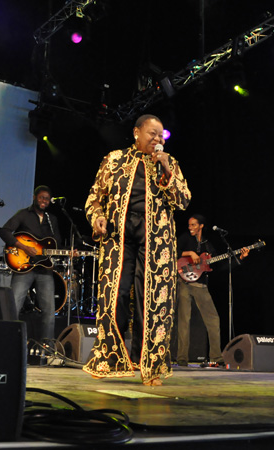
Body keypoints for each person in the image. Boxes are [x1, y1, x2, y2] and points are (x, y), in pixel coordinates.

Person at [83, 114, 191, 386]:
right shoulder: (114, 159)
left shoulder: (169, 163)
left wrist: (166, 169)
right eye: (152, 133)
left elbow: (183, 201)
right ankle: (109, 360)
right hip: (118, 236)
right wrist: (96, 216)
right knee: (115, 295)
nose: (157, 139)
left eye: (161, 136)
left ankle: (151, 367)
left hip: (156, 239)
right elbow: (95, 197)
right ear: (136, 132)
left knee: (151, 299)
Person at [176, 214, 250, 367]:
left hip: (201, 286)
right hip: (183, 282)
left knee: (213, 320)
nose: (190, 228)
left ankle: (216, 357)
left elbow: (219, 268)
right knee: (184, 321)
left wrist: (240, 259)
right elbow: (172, 251)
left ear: (201, 226)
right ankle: (182, 358)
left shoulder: (208, 245)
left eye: (193, 225)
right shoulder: (184, 238)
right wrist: (190, 253)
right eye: (189, 225)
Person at [0, 185, 62, 343]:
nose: (44, 201)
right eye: (41, 197)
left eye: (47, 199)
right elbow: (4, 231)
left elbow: (57, 244)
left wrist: (70, 252)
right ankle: (7, 342)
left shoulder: (51, 219)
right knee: (14, 305)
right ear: (34, 197)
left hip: (44, 270)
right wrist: (24, 247)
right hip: (24, 267)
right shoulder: (23, 214)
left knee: (49, 310)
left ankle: (48, 348)